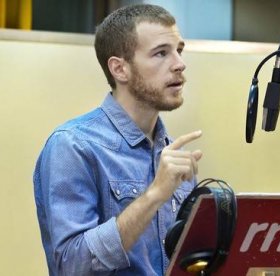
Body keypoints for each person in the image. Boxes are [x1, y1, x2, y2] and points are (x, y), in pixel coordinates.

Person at [33, 4, 202, 275]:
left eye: (178, 51)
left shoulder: (172, 153)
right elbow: (71, 266)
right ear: (120, 69)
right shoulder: (73, 146)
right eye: (161, 53)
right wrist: (154, 196)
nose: (180, 64)